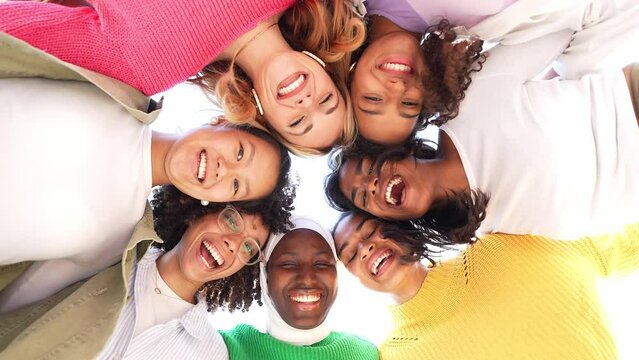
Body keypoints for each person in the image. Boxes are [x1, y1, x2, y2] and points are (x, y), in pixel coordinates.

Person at [0, 33, 293, 311]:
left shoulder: (114, 243)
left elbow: (13, 306)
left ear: (215, 202)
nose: (224, 169)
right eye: (239, 152)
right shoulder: (113, 84)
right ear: (222, 121)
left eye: (236, 186)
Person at [326, 13, 639, 240]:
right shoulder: (481, 229)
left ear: (396, 150)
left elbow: (561, 25)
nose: (372, 185)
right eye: (364, 197)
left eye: (370, 168)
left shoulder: (467, 103)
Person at [0, 0, 366, 154]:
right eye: (326, 101)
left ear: (264, 116)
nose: (306, 102)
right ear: (323, 67)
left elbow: (17, 31)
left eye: (299, 122)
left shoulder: (147, 68)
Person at [0, 184, 295, 359]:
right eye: (232, 220)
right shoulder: (114, 252)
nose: (233, 245)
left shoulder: (208, 352)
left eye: (248, 248)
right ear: (201, 210)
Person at [332, 210, 639, 359]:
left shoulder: (505, 247)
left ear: (401, 227)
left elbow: (616, 246)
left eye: (372, 231)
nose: (365, 248)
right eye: (350, 255)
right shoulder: (396, 355)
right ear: (354, 276)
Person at [351, 0, 639, 145]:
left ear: (350, 77)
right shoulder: (479, 30)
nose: (396, 88)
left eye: (373, 99)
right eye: (409, 104)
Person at [221, 217, 379, 360]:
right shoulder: (229, 348)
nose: (307, 278)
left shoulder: (365, 353)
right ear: (265, 275)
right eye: (288, 264)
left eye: (322, 264)